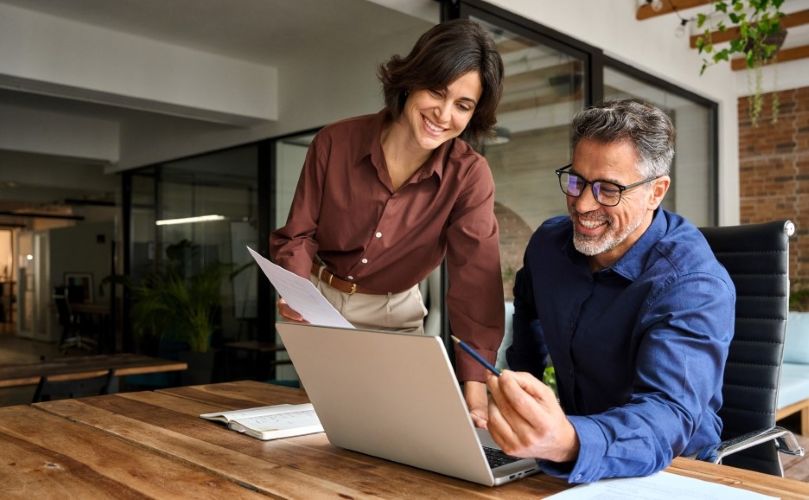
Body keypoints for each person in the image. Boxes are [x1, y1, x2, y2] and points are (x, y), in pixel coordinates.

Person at [485, 100, 735, 483]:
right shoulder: (550, 246)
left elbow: (667, 414)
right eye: (577, 181)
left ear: (656, 192)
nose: (583, 205)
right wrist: (522, 397)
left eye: (608, 190)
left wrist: (569, 441)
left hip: (672, 469)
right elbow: (529, 308)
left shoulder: (693, 285)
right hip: (565, 453)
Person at [270, 19, 505, 424]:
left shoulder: (470, 174)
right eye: (437, 91)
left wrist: (476, 390)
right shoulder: (335, 142)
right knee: (325, 429)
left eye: (463, 106)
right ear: (411, 81)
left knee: (399, 428)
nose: (443, 115)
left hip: (397, 313)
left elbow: (475, 280)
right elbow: (298, 233)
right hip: (321, 305)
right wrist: (294, 290)